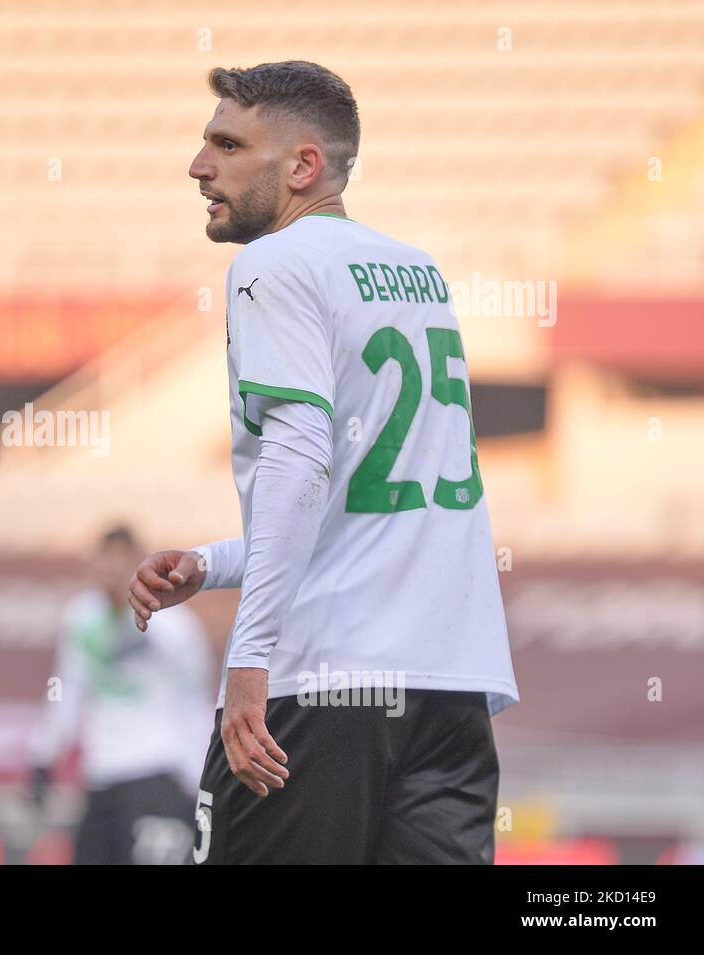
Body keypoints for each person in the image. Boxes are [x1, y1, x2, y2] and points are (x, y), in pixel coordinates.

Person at [129, 61, 519, 864]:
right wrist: (213, 562)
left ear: (303, 165)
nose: (199, 166)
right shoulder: (418, 273)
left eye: (227, 144)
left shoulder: (273, 263)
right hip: (450, 684)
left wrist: (249, 654)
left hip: (323, 683)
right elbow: (370, 501)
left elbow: (302, 458)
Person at [27, 524, 214, 864]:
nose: (111, 568)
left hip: (156, 775)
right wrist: (43, 759)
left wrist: (201, 782)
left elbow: (194, 704)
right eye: (105, 558)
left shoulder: (175, 627)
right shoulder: (81, 619)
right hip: (101, 780)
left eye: (121, 559)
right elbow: (67, 691)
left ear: (139, 564)